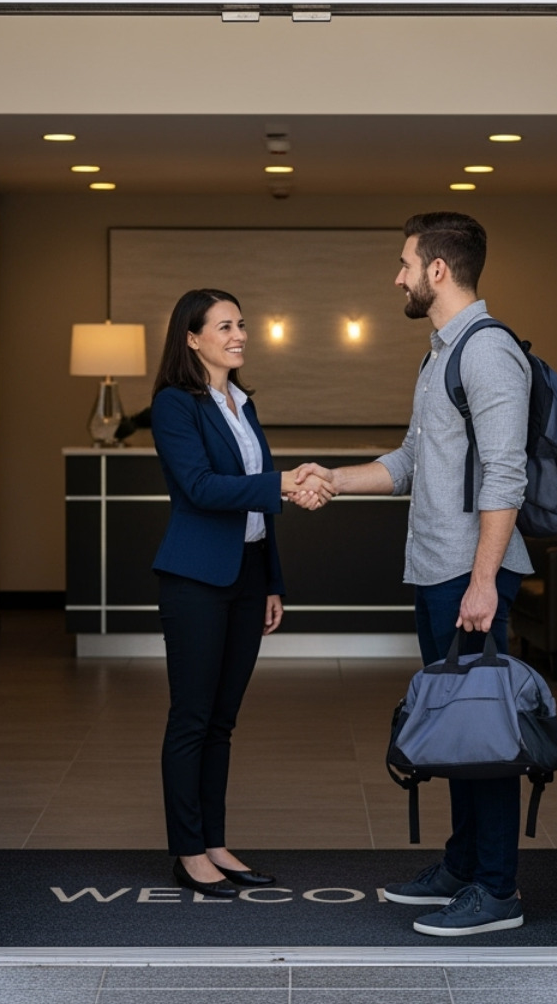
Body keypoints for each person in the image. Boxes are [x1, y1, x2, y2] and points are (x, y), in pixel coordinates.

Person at [294, 213, 533, 935]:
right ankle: (462, 866)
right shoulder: (441, 355)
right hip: (440, 574)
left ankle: (496, 892)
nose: (395, 276)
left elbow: (506, 473)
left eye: (404, 263)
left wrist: (484, 582)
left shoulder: (487, 355)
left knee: (485, 736)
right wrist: (330, 477)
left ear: (437, 270)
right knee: (458, 735)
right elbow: (407, 461)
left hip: (470, 578)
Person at [150, 287, 334, 899]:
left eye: (242, 324)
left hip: (247, 576)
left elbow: (258, 496)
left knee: (223, 722)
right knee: (192, 718)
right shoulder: (176, 405)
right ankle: (188, 851)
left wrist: (272, 581)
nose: (239, 334)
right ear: (192, 338)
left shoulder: (241, 402)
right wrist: (284, 483)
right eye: (224, 325)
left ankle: (215, 842)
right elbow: (202, 488)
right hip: (196, 579)